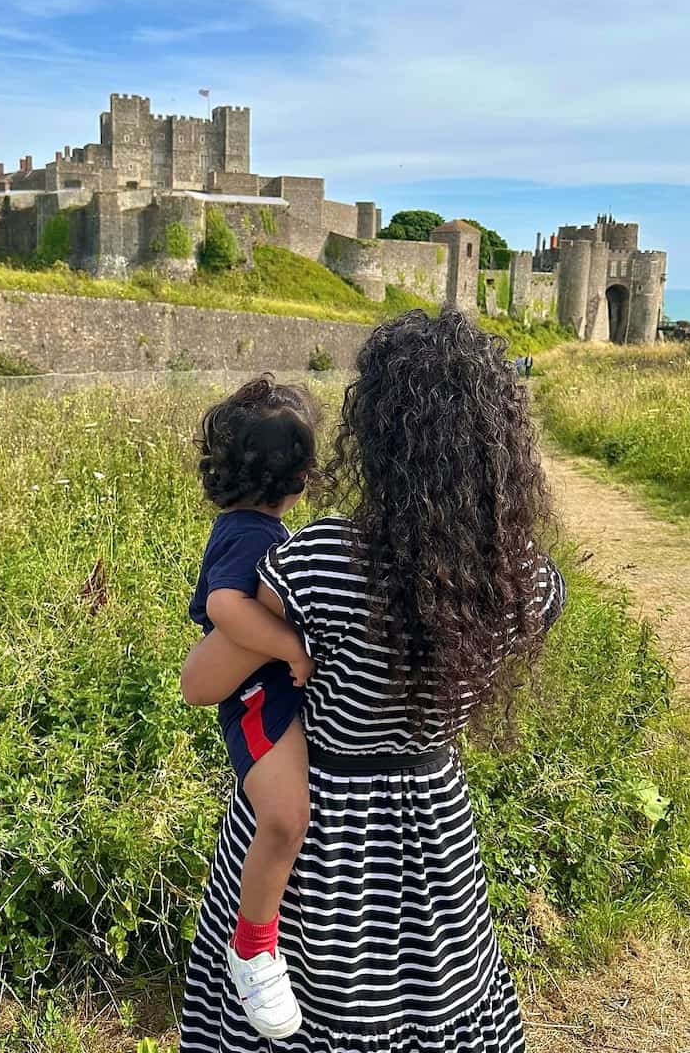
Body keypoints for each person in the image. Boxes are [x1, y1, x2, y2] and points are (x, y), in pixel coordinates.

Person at [180, 309, 567, 1053]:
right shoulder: (525, 581)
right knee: (433, 1010)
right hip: (435, 834)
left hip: (323, 841)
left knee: (297, 1023)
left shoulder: (318, 562)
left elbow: (201, 681)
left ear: (381, 435)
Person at [187, 376, 317, 1041]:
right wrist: (291, 646)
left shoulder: (250, 526)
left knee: (287, 817)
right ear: (297, 475)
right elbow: (223, 609)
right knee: (286, 818)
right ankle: (254, 947)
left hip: (260, 692)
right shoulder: (249, 537)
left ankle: (260, 939)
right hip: (253, 697)